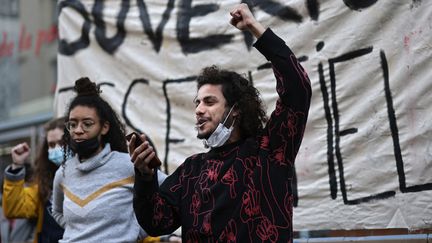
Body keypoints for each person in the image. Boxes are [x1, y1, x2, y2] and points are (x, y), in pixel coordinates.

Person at [130, 3, 312, 242]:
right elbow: (156, 222)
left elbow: (297, 88)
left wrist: (255, 28)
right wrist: (144, 176)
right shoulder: (191, 171)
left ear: (235, 110)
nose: (198, 110)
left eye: (209, 101)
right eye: (197, 103)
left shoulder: (270, 151)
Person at [51, 77, 172, 243]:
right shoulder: (63, 173)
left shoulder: (129, 164)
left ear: (104, 127)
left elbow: (171, 190)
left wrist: (136, 230)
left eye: (87, 123)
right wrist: (78, 231)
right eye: (72, 124)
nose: (78, 130)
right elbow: (56, 211)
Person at [2, 117, 66, 242]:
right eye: (51, 145)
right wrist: (17, 165)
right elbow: (15, 208)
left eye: (61, 143)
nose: (56, 149)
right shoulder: (44, 183)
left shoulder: (87, 177)